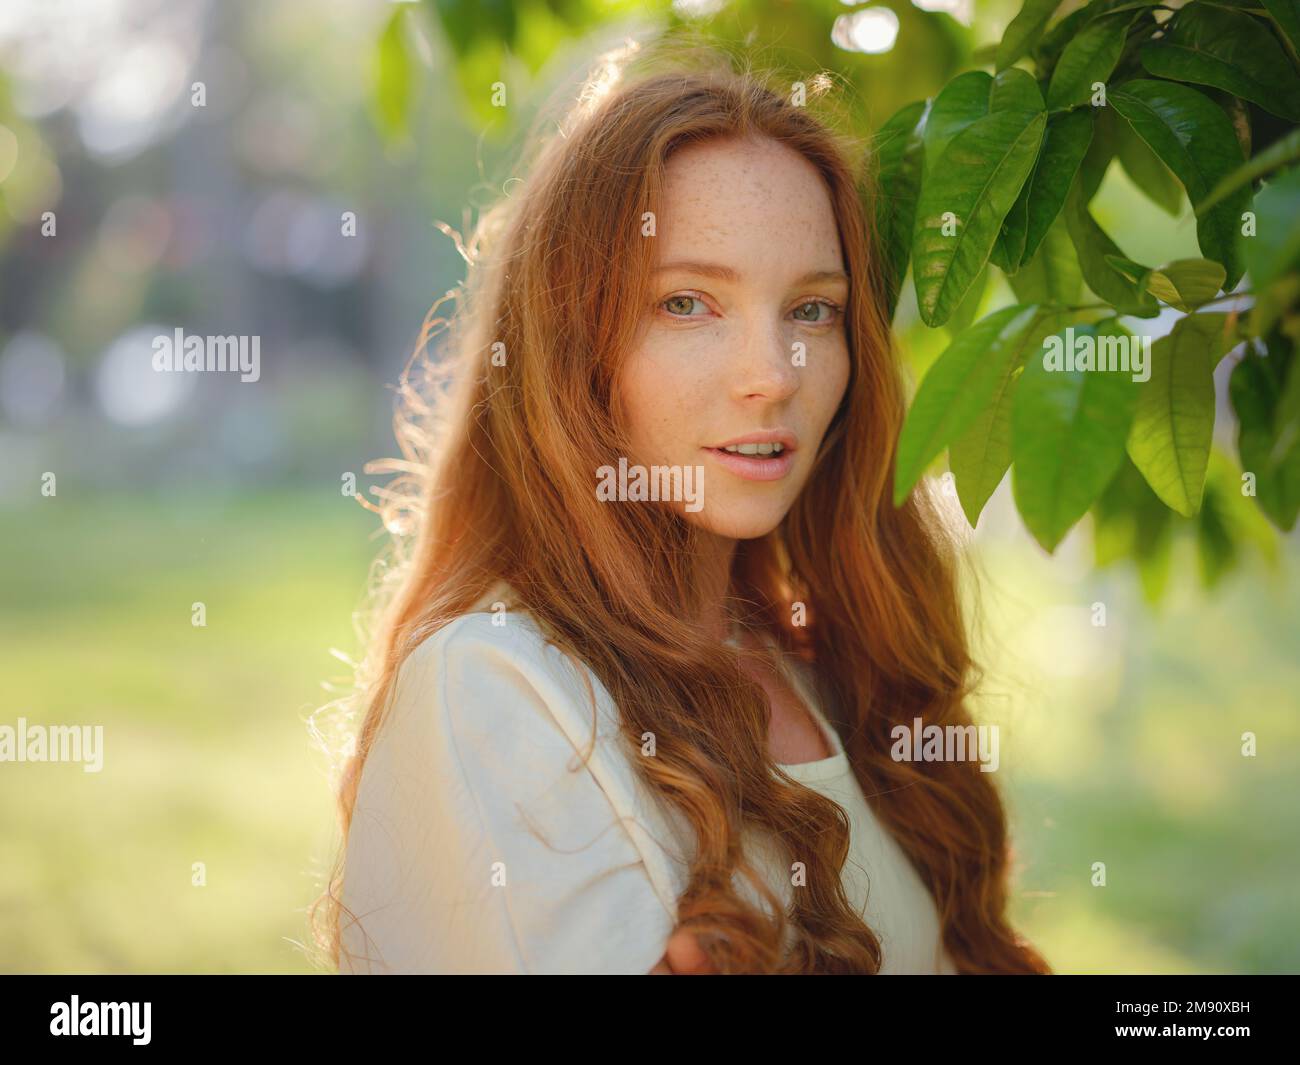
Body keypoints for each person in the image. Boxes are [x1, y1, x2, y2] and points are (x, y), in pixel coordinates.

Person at [313, 42, 1050, 975]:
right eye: (690, 303)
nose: (771, 376)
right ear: (573, 348)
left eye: (812, 311)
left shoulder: (823, 665)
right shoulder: (494, 690)